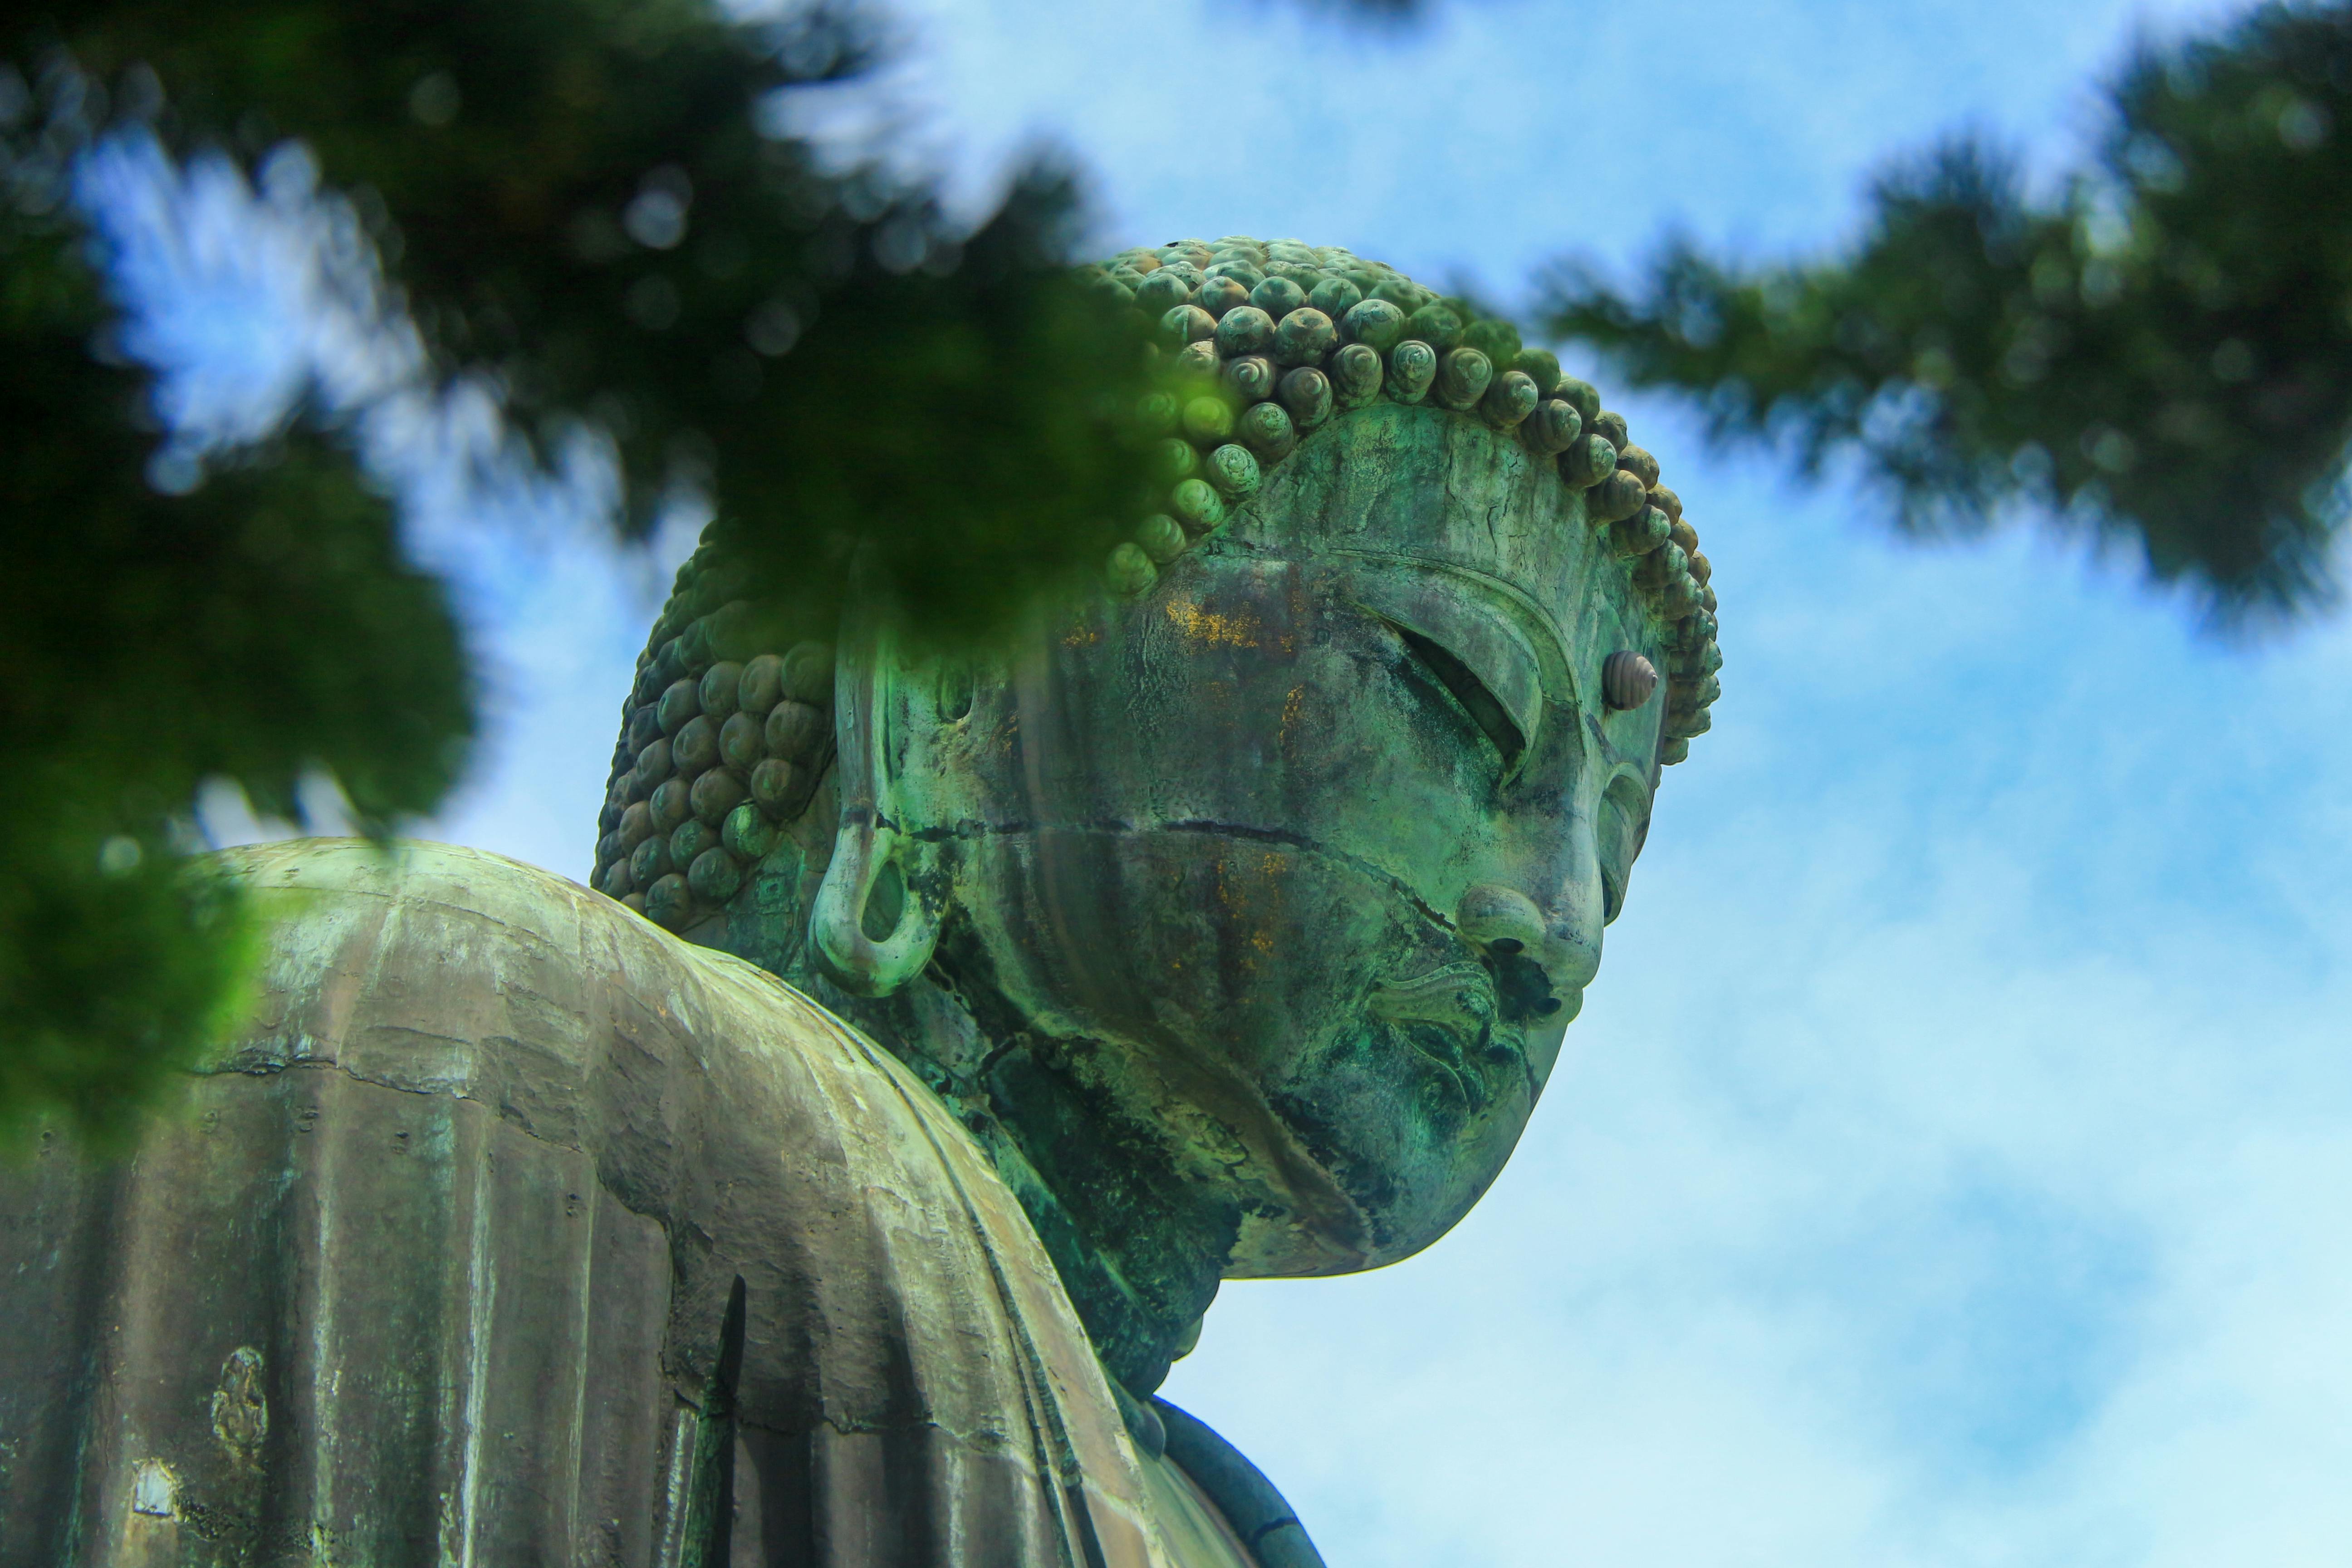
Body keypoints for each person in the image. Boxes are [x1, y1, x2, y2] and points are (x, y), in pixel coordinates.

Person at [0, 236, 1720, 1566]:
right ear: (942, 688)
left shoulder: (1224, 1518)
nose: (1551, 924)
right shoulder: (424, 1027)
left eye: (1613, 845)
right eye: (1452, 701)